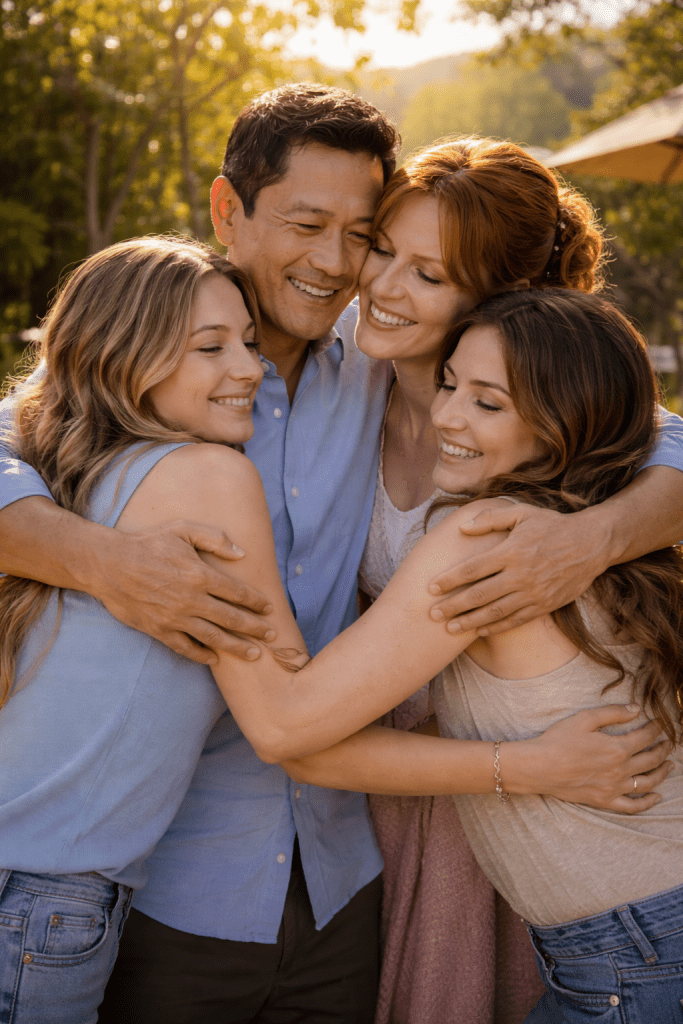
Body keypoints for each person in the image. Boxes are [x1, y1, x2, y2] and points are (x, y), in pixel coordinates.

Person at [0, 85, 679, 1020]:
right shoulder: (176, 366)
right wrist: (96, 559)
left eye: (360, 236)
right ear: (226, 211)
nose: (347, 270)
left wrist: (589, 538)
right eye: (315, 227)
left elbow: (660, 438)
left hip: (365, 862)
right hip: (177, 868)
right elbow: (22, 431)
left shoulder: (410, 373)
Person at [197, 286, 683, 1023]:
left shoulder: (487, 540)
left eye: (488, 404)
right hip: (636, 943)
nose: (446, 415)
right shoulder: (591, 531)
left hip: (633, 953)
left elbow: (287, 729)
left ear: (565, 422)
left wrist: (209, 534)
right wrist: (526, 765)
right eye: (450, 384)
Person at [354, 135, 607, 1024]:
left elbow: (670, 447)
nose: (383, 286)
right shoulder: (348, 380)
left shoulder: (547, 410)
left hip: (536, 800)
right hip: (380, 785)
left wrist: (599, 534)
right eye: (382, 250)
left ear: (494, 301)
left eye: (428, 275)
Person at [0, 236, 265, 1021]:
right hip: (42, 898)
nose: (250, 367)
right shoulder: (203, 475)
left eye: (248, 342)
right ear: (124, 357)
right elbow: (288, 711)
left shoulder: (55, 468)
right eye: (211, 347)